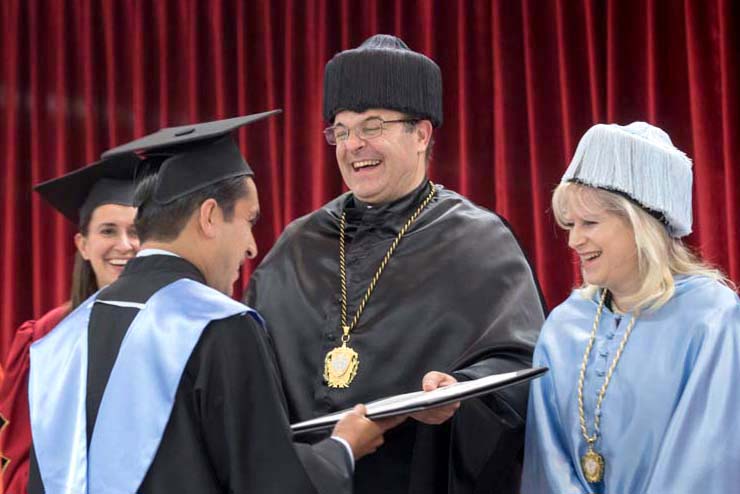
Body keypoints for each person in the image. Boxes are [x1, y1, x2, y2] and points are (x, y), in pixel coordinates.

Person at [27, 111, 397, 494]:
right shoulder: (218, 326)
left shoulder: (64, 338)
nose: (252, 245)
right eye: (248, 220)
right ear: (208, 217)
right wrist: (342, 449)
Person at [245, 35, 546, 494]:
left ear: (421, 134)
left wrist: (460, 390)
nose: (353, 145)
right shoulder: (298, 243)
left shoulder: (479, 241)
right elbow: (248, 362)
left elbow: (520, 367)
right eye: (341, 130)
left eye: (372, 125)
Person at [521, 122, 740, 493]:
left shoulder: (712, 317)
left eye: (589, 222)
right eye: (570, 224)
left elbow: (706, 460)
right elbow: (547, 459)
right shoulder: (564, 326)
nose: (574, 240)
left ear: (642, 225)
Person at [0, 154, 140, 494]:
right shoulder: (46, 337)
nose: (124, 245)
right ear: (83, 244)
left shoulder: (174, 328)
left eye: (136, 232)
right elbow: (19, 460)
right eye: (108, 230)